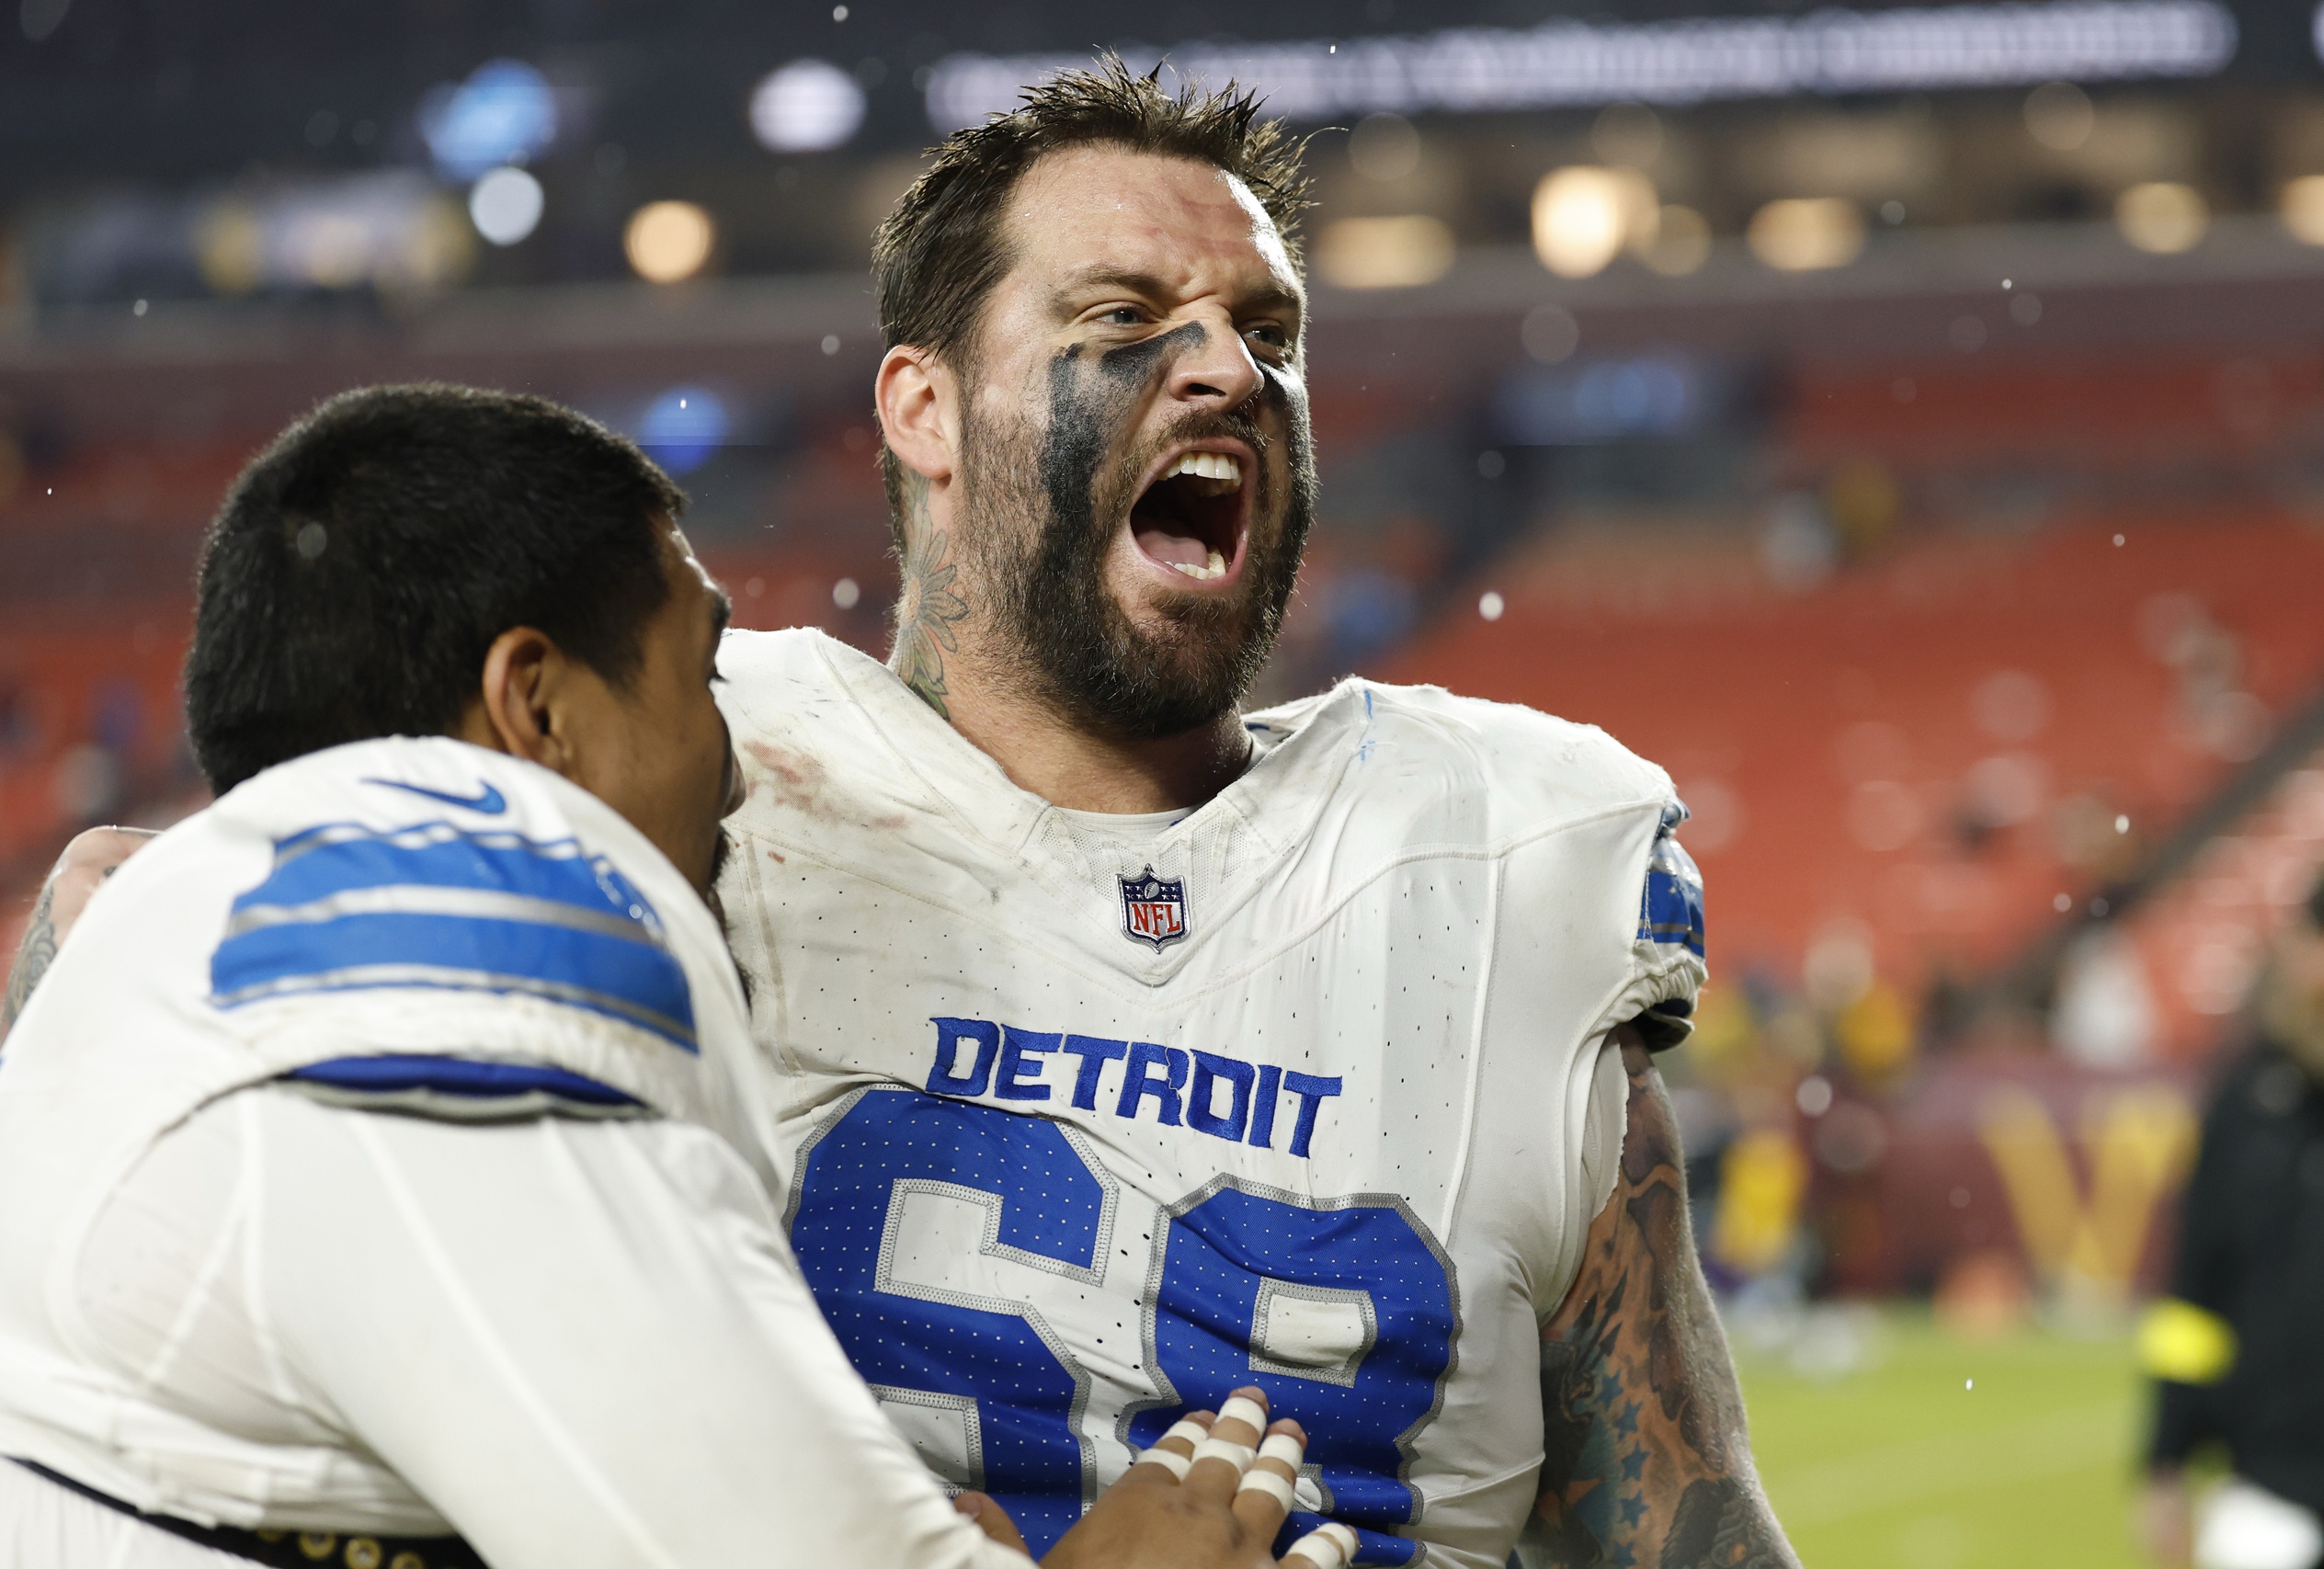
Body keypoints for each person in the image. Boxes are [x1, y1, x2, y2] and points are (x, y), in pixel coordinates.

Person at [712, 64, 1796, 1568]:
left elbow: (1691, 1524)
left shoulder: (1497, 867)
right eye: (1123, 318)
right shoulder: (711, 792)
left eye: (1266, 329)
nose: (1227, 365)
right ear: (925, 409)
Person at [0, 384, 1330, 1569]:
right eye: (694, 674)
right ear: (538, 707)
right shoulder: (460, 934)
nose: (737, 764)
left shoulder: (205, 917)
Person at [2139, 860, 2324, 1569]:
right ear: (2296, 953)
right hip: (2269, 1490)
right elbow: (2194, 1294)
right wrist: (2164, 1458)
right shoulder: (2244, 1100)